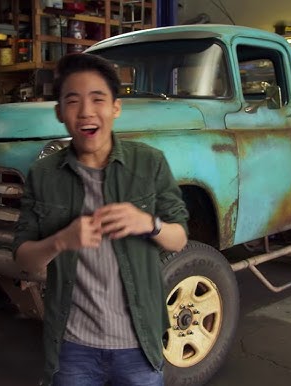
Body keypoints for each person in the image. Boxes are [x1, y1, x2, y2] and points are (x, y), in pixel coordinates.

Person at [13, 53, 189, 386]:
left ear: (115, 108)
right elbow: (23, 258)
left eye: (98, 99)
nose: (87, 112)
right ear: (60, 113)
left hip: (139, 344)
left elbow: (179, 238)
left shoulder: (149, 163)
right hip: (72, 348)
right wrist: (62, 240)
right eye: (73, 101)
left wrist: (147, 223)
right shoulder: (43, 175)